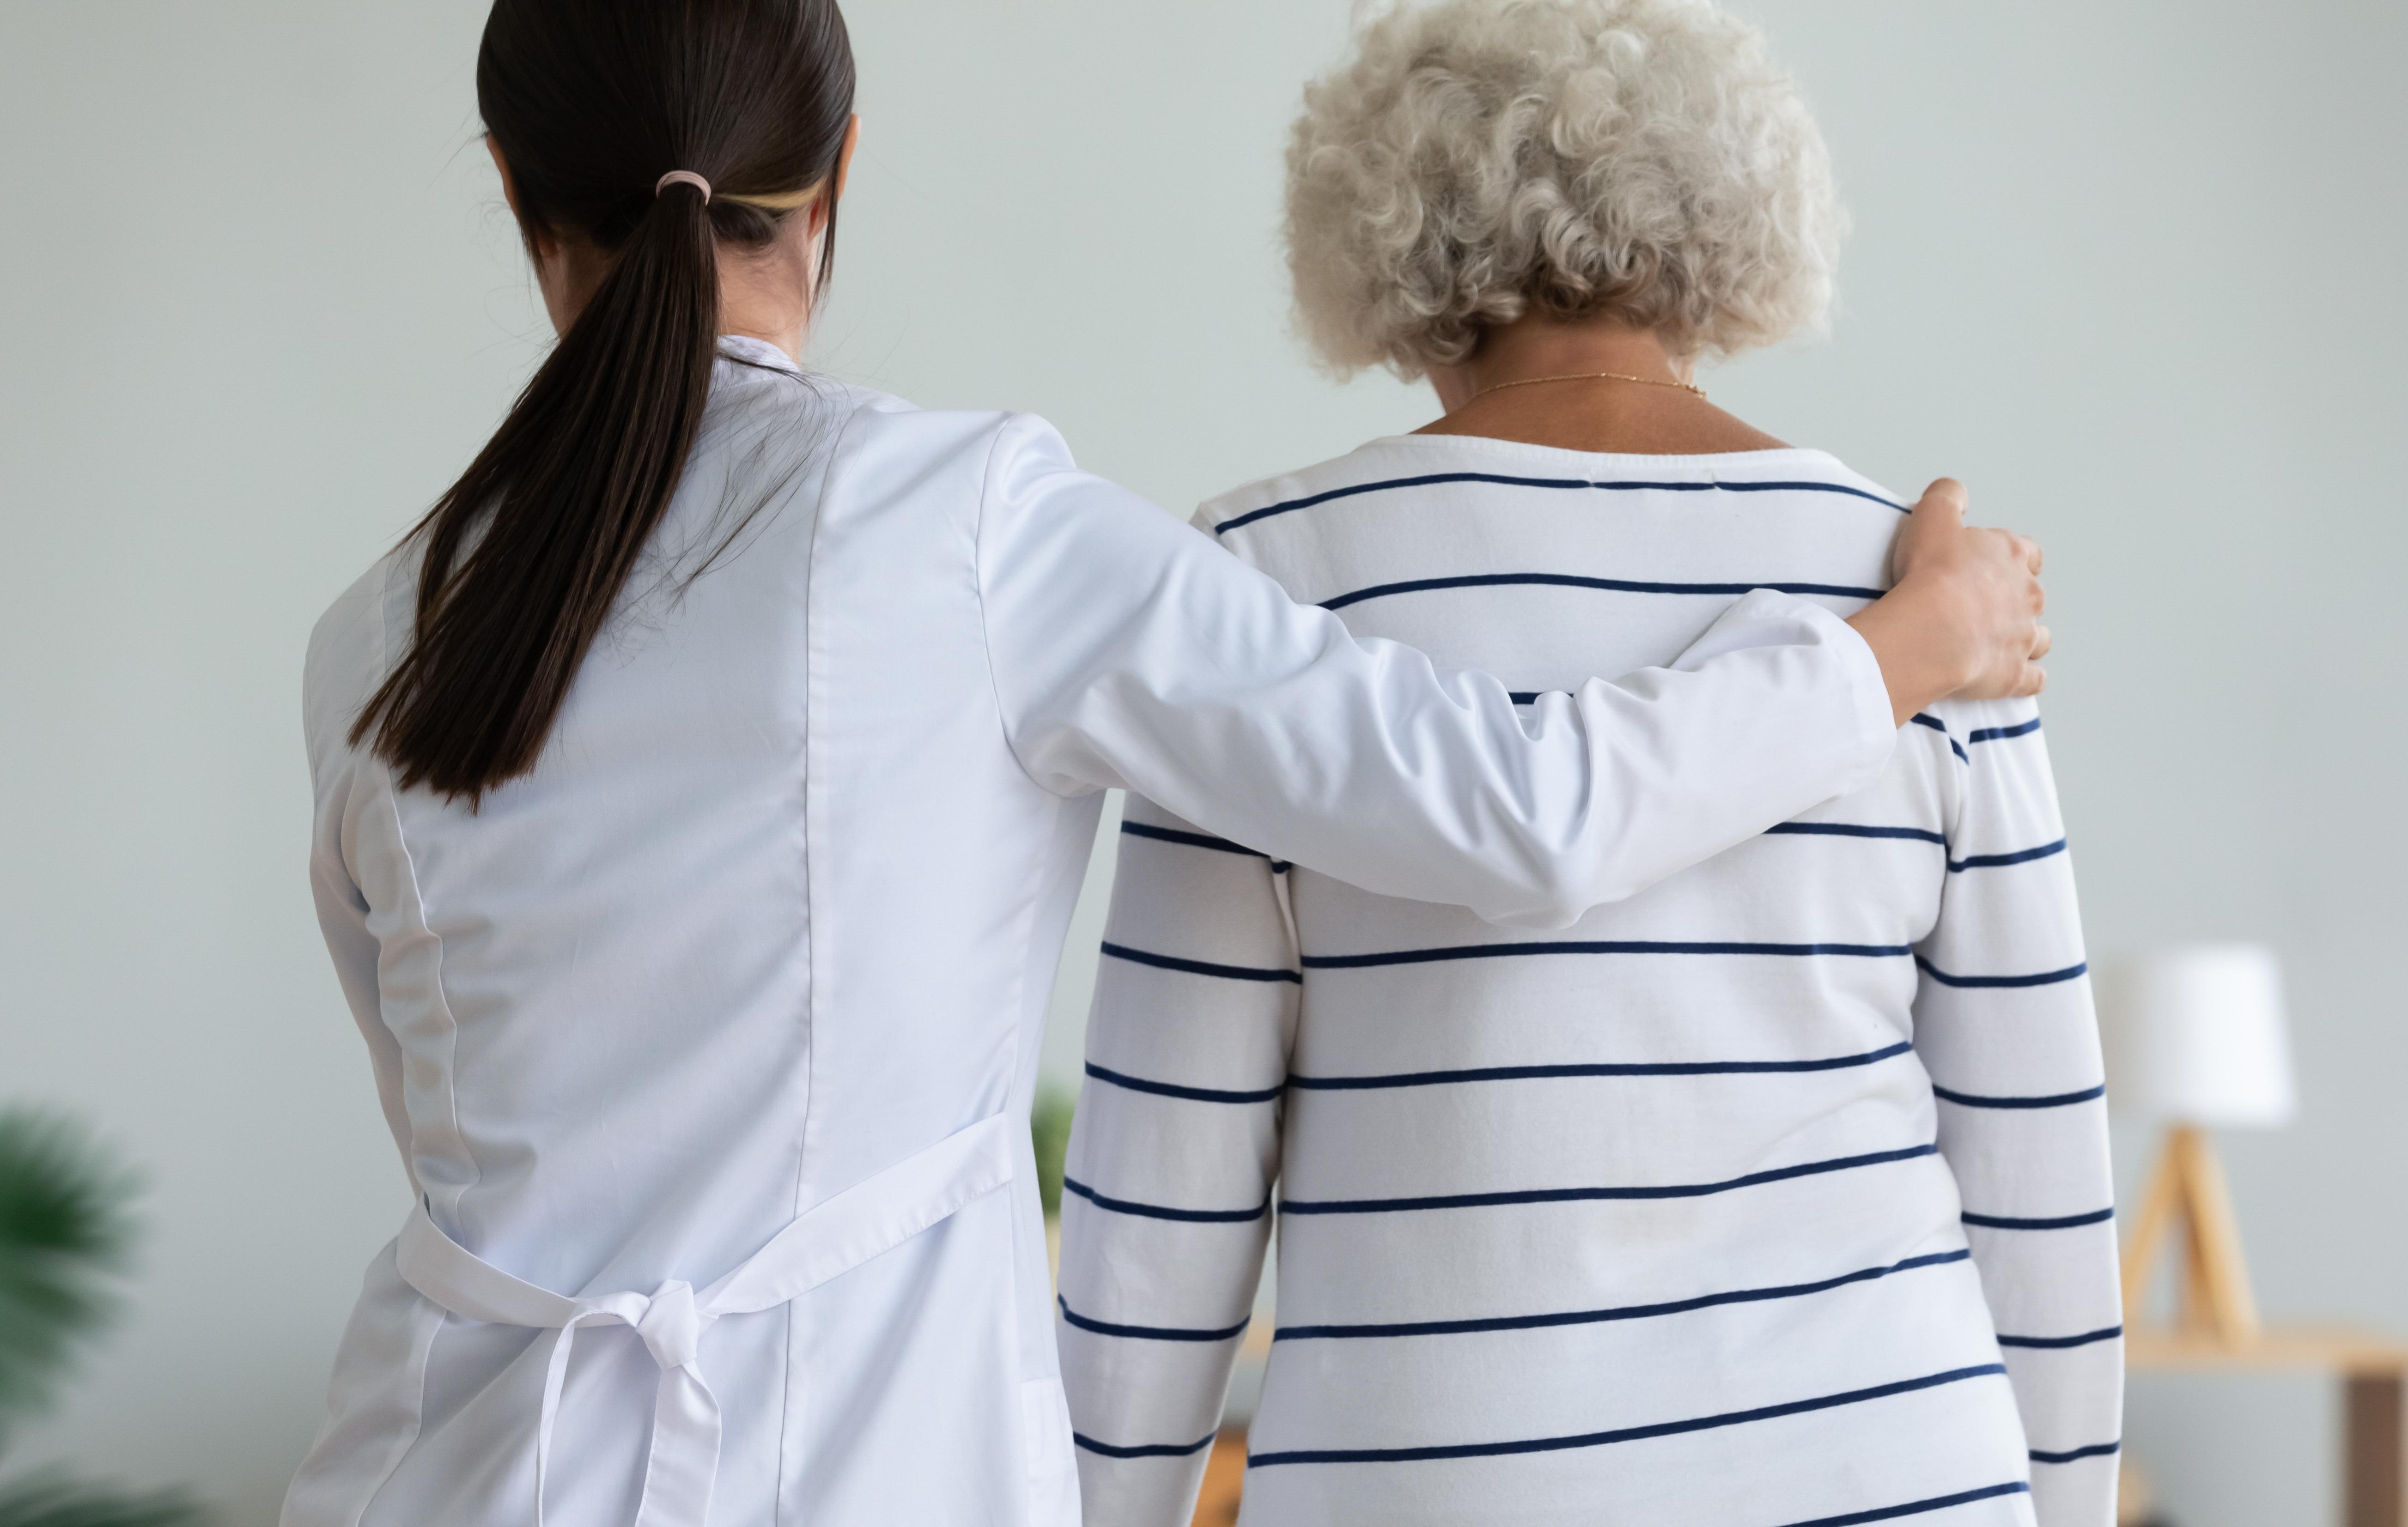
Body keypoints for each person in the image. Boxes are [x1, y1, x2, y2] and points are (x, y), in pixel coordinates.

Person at [281, 2, 2048, 1526]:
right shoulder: (968, 526)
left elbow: (438, 1116)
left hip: (439, 1464)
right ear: (835, 178)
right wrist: (1905, 645)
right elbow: (1528, 811)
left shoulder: (373, 637)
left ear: (514, 186)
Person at [1055, 4, 2117, 1526]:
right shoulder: (1933, 589)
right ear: (1733, 229)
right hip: (1896, 1470)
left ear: (1391, 246)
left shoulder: (1259, 590)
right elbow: (2039, 1169)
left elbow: (1164, 1205)